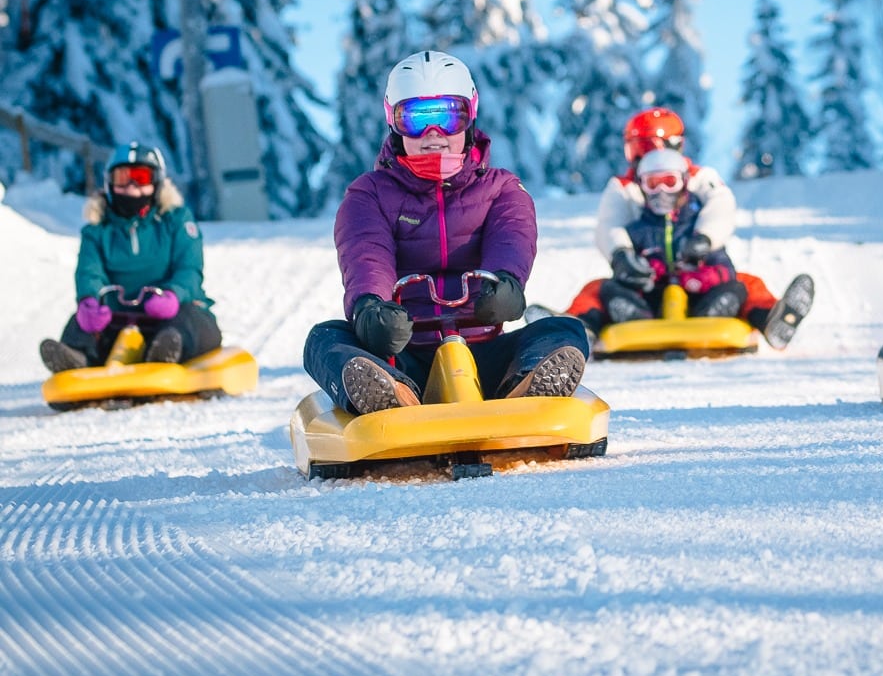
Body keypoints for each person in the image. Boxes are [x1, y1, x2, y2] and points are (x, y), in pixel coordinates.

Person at [303, 50, 590, 415]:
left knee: (562, 329)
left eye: (447, 116)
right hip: (403, 354)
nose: (433, 134)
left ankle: (526, 384)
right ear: (393, 122)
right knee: (324, 339)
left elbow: (512, 238)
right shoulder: (369, 194)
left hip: (483, 354)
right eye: (416, 120)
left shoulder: (501, 189)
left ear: (469, 116)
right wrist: (370, 307)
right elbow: (365, 255)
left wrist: (506, 283)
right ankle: (388, 395)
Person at [541, 106, 814, 350]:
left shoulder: (698, 177)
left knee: (744, 284)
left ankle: (772, 321)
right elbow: (609, 225)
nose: (661, 191)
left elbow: (721, 206)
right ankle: (573, 331)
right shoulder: (625, 187)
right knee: (598, 290)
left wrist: (705, 239)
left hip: (698, 282)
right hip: (647, 286)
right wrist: (621, 255)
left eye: (669, 182)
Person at [39, 142, 222, 372]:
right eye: (123, 178)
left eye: (141, 177)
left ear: (156, 182)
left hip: (170, 314)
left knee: (188, 322)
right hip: (118, 319)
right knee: (81, 322)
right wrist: (89, 300)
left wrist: (174, 294)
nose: (132, 186)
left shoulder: (176, 220)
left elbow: (189, 268)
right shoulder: (97, 229)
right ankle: (78, 357)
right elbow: (90, 272)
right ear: (110, 183)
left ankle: (167, 352)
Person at [598, 148, 749, 323]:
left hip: (697, 294)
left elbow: (724, 268)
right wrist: (639, 273)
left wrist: (704, 278)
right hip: (653, 299)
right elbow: (624, 271)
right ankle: (634, 316)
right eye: (653, 183)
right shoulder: (637, 231)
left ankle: (713, 312)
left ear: (684, 182)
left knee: (737, 288)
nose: (662, 191)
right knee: (608, 289)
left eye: (670, 182)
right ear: (641, 186)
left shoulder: (697, 228)